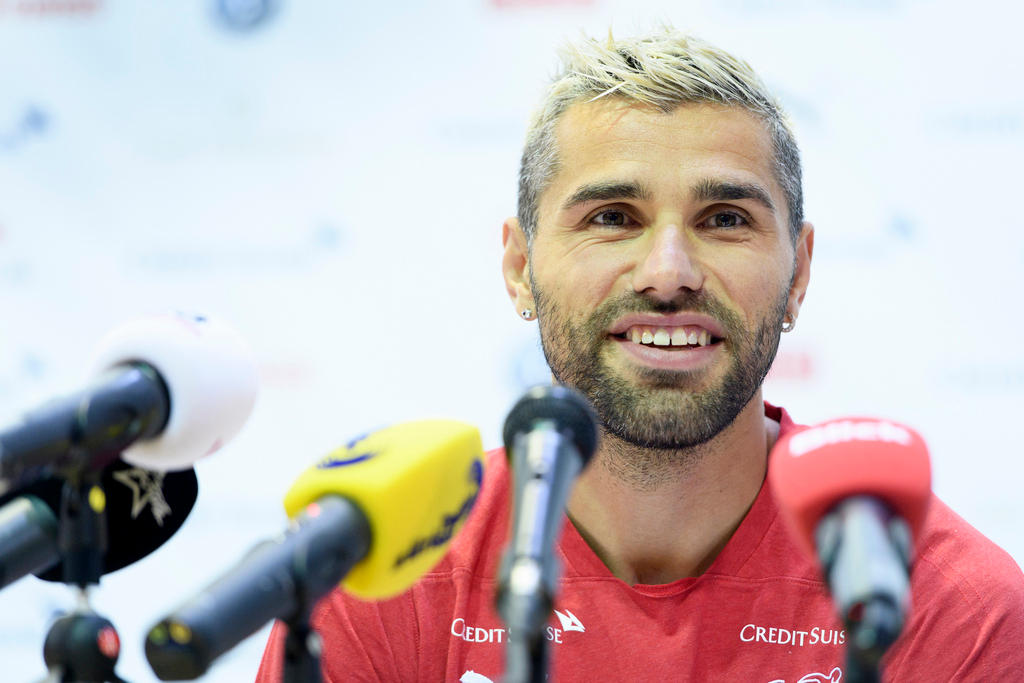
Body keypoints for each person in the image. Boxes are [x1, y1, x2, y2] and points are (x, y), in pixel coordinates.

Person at [256, 27, 1024, 682]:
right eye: (613, 217)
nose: (668, 273)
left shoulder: (947, 603)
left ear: (800, 274)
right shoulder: (388, 574)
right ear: (520, 267)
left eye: (724, 219)